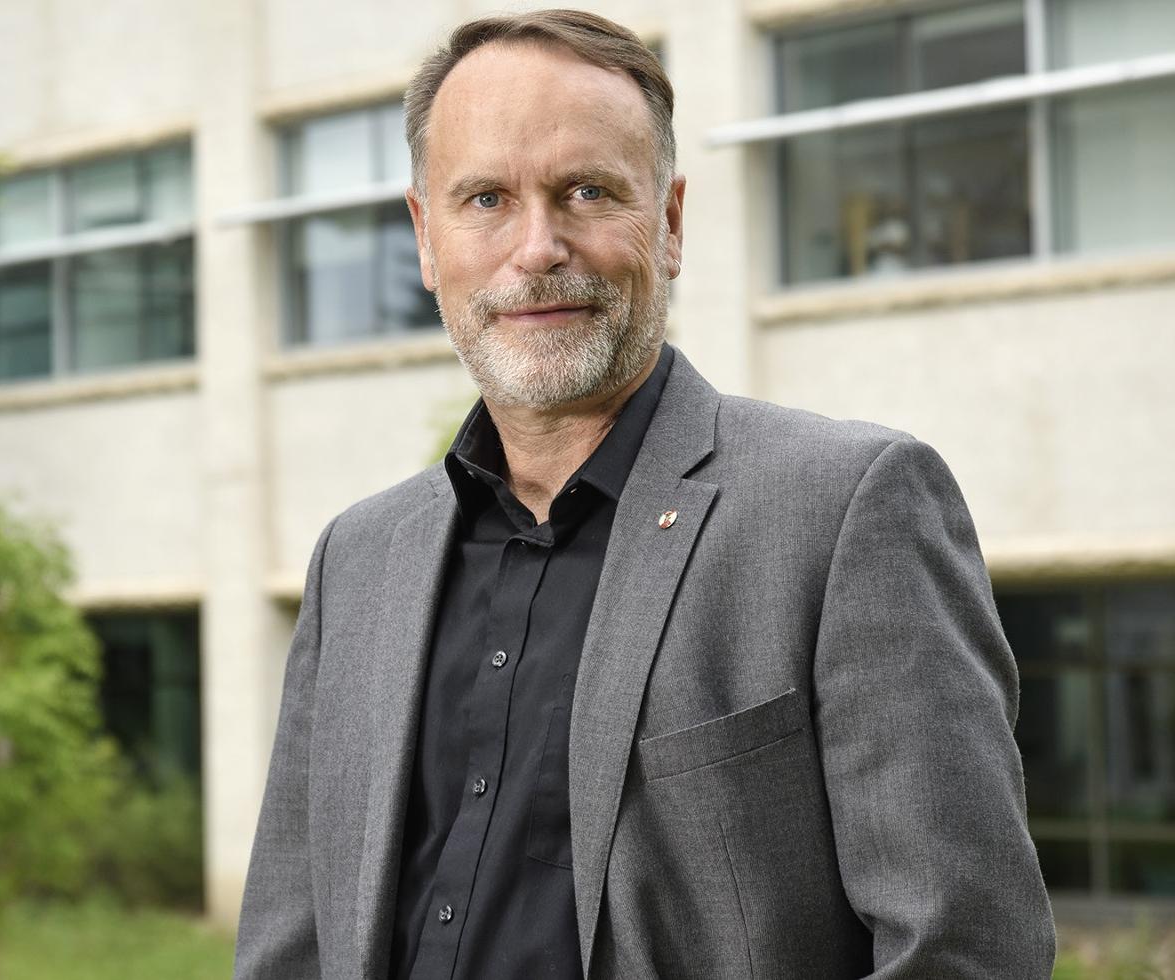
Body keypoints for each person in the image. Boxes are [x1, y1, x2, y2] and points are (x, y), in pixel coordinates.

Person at [235, 9, 1055, 979]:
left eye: (586, 191)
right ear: (426, 236)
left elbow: (965, 949)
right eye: (486, 198)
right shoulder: (357, 559)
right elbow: (289, 946)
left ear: (667, 222)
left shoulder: (844, 511)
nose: (537, 247)